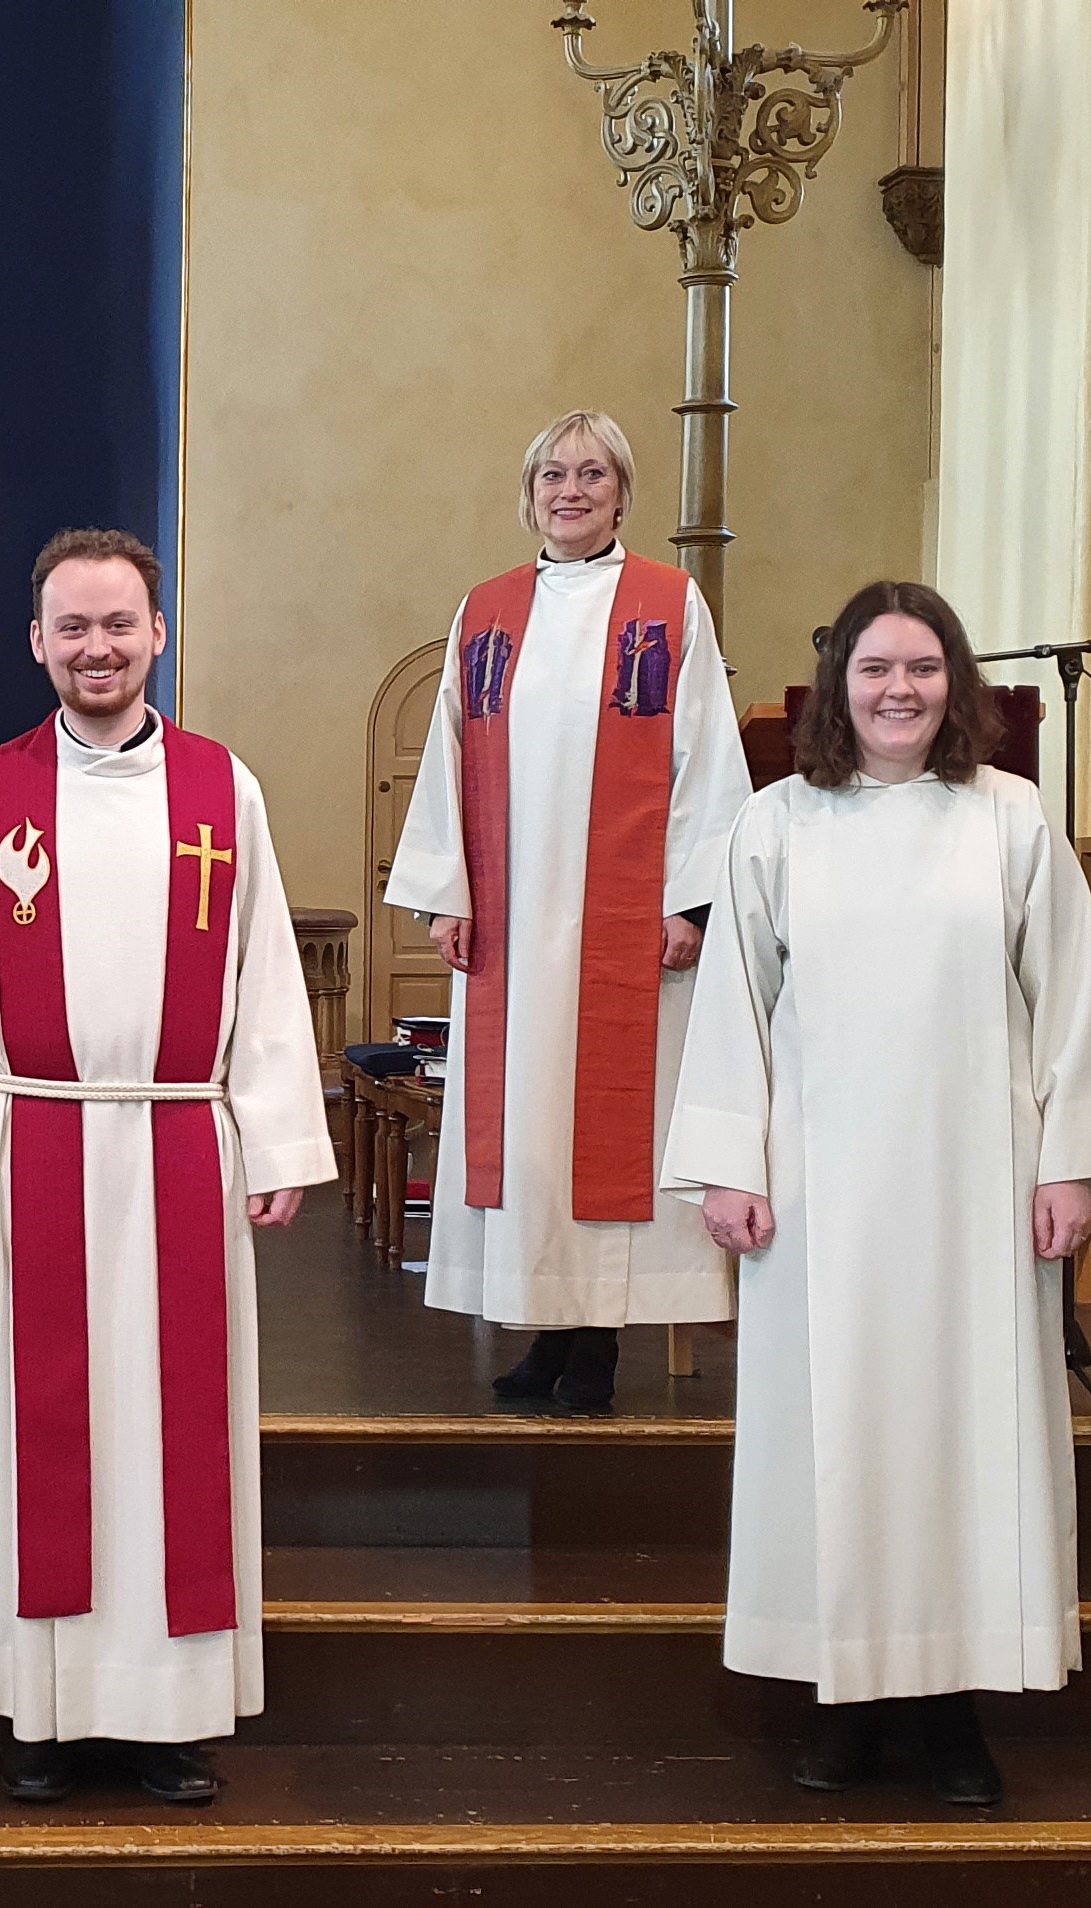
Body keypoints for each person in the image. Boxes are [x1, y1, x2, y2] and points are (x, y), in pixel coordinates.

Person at [0, 527, 335, 1807]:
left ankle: (167, 1714)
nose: (97, 648)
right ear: (35, 643)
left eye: (119, 624)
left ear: (158, 633)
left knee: (169, 1440)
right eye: (72, 628)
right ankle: (46, 1706)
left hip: (182, 1141)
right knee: (41, 1434)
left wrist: (279, 1133)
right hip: (31, 1141)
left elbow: (266, 981)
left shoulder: (220, 791)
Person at [672, 582, 1091, 1809]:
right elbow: (737, 1007)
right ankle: (846, 1705)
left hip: (975, 1187)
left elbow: (1071, 998)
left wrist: (1068, 1165)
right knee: (835, 1442)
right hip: (821, 1198)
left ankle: (953, 1714)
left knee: (964, 1444)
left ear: (959, 685)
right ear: (837, 686)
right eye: (876, 670)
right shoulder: (778, 824)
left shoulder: (1011, 818)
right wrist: (731, 1164)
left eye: (924, 669)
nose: (900, 691)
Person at [382, 409, 755, 1411]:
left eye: (593, 474)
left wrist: (691, 901)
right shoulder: (488, 612)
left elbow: (706, 759)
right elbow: (452, 755)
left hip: (625, 928)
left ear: (624, 494)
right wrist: (446, 894)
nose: (571, 490)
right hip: (509, 921)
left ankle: (600, 1346)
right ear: (530, 493)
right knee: (530, 1141)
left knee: (610, 1133)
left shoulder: (668, 606)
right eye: (554, 474)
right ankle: (543, 1329)